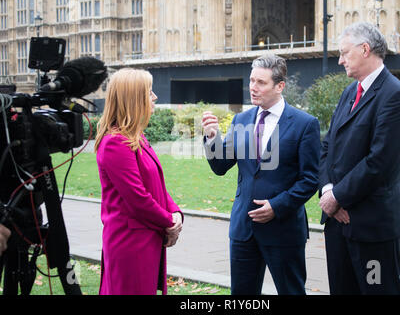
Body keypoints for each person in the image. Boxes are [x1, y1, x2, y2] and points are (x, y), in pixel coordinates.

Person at [202, 54, 320, 295]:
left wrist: (277, 206)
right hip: (244, 230)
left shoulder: (304, 124)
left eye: (261, 83)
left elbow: (310, 179)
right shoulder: (241, 120)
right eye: (251, 80)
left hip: (284, 229)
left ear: (280, 86)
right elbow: (220, 166)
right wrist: (212, 138)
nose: (253, 88)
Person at [319, 22, 400, 295]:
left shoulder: (394, 95)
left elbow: (380, 162)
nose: (340, 60)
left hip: (372, 229)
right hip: (338, 225)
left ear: (365, 49)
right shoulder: (350, 92)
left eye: (345, 52)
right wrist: (328, 193)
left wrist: (338, 197)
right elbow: (327, 149)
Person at [94, 68, 183, 295]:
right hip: (131, 243)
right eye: (149, 92)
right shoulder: (115, 143)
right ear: (133, 99)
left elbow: (157, 187)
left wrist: (176, 215)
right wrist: (168, 222)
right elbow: (138, 198)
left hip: (146, 238)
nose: (154, 97)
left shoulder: (136, 137)